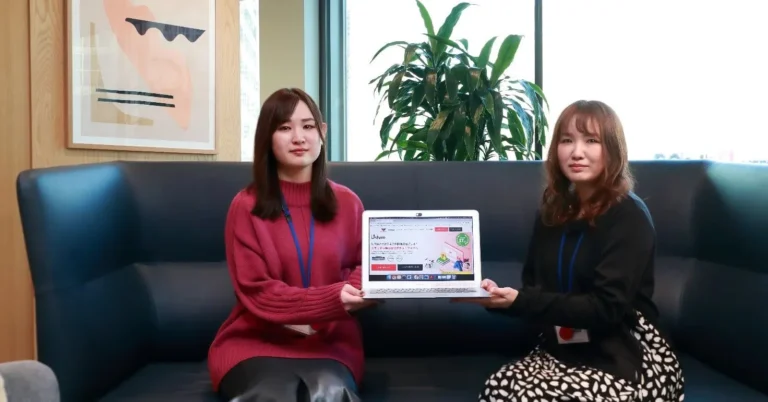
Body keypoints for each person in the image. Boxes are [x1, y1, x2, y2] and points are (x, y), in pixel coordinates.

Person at [458, 100, 685, 402]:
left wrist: (521, 300)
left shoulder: (629, 215)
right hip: (562, 350)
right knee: (497, 389)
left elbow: (606, 308)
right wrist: (499, 299)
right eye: (567, 140)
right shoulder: (553, 212)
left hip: (625, 357)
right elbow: (534, 290)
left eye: (591, 141)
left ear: (612, 149)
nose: (577, 152)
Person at [208, 88, 375, 402]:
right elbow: (258, 291)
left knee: (328, 394)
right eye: (285, 127)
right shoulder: (246, 206)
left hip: (330, 343)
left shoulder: (348, 202)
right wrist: (333, 298)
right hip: (255, 342)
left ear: (322, 132)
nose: (299, 137)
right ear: (267, 138)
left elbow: (367, 267)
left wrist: (355, 293)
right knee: (271, 395)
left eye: (308, 126)